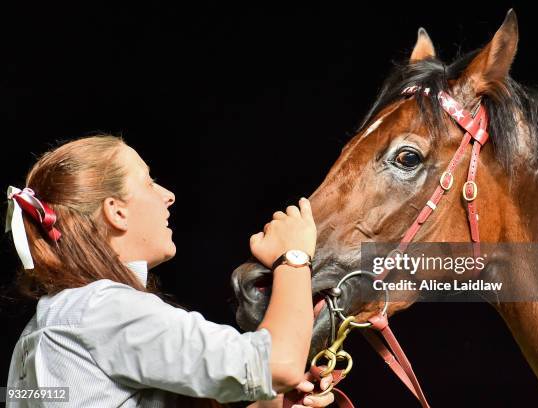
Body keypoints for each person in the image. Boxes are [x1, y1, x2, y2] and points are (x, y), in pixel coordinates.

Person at [5, 135, 334, 407]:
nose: (168, 196)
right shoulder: (105, 310)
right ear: (116, 212)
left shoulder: (44, 327)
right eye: (149, 182)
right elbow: (280, 364)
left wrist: (272, 400)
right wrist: (293, 257)